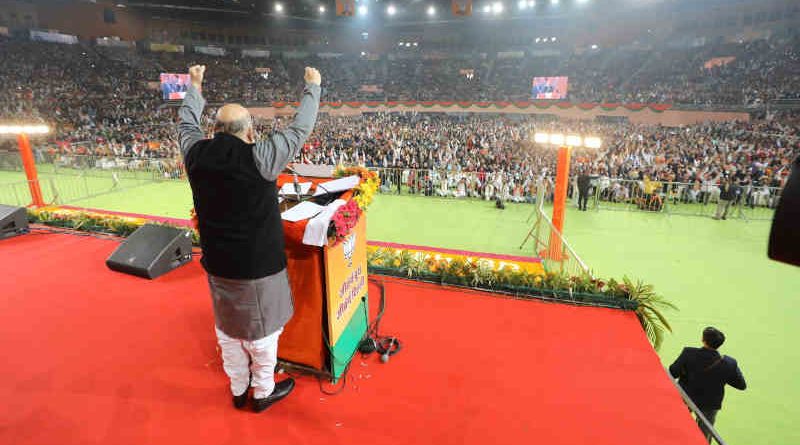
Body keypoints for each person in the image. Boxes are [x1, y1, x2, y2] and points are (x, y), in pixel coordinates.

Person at [178, 64, 322, 412]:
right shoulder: (260, 156)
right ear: (250, 131)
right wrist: (313, 87)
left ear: (214, 131)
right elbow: (301, 128)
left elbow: (185, 124)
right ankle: (262, 392)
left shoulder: (195, 154)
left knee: (228, 329)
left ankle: (238, 388)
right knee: (262, 334)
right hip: (258, 267)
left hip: (217, 264)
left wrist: (195, 85)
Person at [669, 327, 747, 443]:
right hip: (710, 403)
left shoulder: (688, 353)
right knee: (704, 435)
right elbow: (741, 385)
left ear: (703, 339)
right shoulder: (729, 363)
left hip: (686, 397)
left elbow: (672, 372)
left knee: (674, 427)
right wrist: (726, 372)